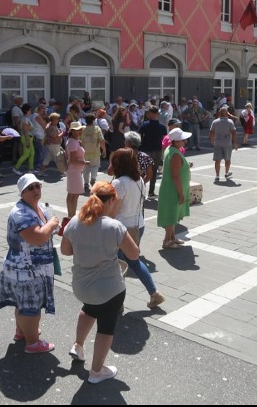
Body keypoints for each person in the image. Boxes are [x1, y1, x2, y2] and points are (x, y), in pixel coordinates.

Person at [60, 181, 140, 384]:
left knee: (88, 309)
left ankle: (78, 346)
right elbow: (134, 254)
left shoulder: (74, 222)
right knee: (106, 327)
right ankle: (96, 372)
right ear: (112, 200)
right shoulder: (114, 226)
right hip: (109, 289)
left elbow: (65, 251)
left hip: (81, 287)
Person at [0, 173, 60, 354]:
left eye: (38, 186)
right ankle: (32, 343)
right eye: (30, 188)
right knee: (31, 307)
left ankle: (21, 331)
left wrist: (55, 227)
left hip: (32, 267)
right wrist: (52, 223)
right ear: (22, 192)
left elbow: (46, 231)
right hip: (25, 269)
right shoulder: (20, 213)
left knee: (22, 303)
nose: (36, 190)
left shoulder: (38, 206)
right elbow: (38, 238)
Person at [109, 148, 165, 308]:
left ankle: (117, 303)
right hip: (138, 226)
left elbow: (114, 212)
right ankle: (154, 293)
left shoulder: (119, 183)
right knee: (134, 262)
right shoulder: (139, 180)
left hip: (121, 229)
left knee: (116, 265)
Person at [157, 128, 192, 249]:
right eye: (182, 140)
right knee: (171, 216)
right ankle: (167, 240)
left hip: (170, 188)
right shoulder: (175, 153)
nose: (185, 141)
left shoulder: (170, 149)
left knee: (173, 214)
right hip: (173, 189)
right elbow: (175, 175)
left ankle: (172, 238)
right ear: (176, 141)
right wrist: (181, 193)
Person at [138, 106, 168, 198]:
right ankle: (151, 192)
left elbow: (139, 137)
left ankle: (141, 191)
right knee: (154, 172)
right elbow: (164, 140)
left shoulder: (144, 124)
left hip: (145, 150)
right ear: (157, 114)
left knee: (143, 171)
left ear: (150, 113)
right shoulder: (162, 126)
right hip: (157, 150)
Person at [65, 121, 89, 218]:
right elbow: (74, 160)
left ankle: (71, 216)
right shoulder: (73, 142)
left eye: (80, 130)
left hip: (74, 170)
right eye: (78, 130)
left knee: (72, 194)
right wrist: (85, 162)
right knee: (73, 195)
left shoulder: (72, 141)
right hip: (74, 170)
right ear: (73, 132)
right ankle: (71, 216)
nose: (80, 131)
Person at [209, 107, 237, 182]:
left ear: (219, 113)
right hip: (227, 143)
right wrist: (235, 143)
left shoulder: (215, 122)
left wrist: (212, 140)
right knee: (227, 159)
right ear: (226, 113)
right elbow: (233, 132)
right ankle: (226, 173)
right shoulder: (230, 122)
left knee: (217, 160)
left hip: (217, 143)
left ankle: (217, 176)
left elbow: (211, 132)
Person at [80, 113, 106, 192]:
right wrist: (104, 150)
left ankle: (86, 183)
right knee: (95, 166)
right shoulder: (97, 129)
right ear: (93, 120)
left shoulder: (82, 129)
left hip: (84, 152)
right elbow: (101, 141)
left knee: (85, 169)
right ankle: (93, 178)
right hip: (95, 152)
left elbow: (79, 140)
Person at [12, 104, 35, 176]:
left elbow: (26, 129)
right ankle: (16, 168)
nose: (31, 111)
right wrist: (28, 140)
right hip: (26, 138)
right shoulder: (25, 119)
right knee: (26, 155)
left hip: (29, 137)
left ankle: (31, 169)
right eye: (30, 110)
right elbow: (25, 130)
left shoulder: (26, 118)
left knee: (32, 153)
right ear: (27, 111)